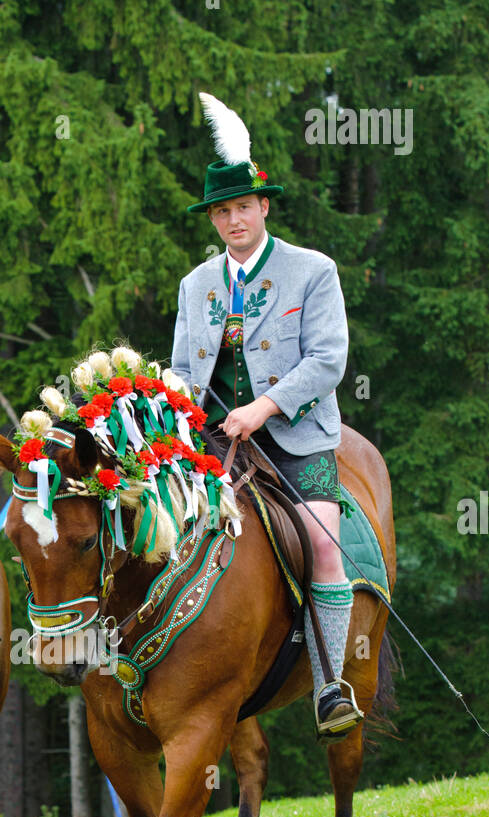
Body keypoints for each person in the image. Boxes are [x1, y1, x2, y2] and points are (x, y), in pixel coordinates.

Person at [171, 94, 362, 742]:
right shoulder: (194, 285)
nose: (232, 220)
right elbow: (179, 371)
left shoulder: (312, 271)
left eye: (242, 207)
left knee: (322, 550)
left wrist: (264, 406)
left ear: (264, 207)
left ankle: (330, 683)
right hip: (208, 443)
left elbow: (328, 359)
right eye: (221, 211)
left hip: (294, 440)